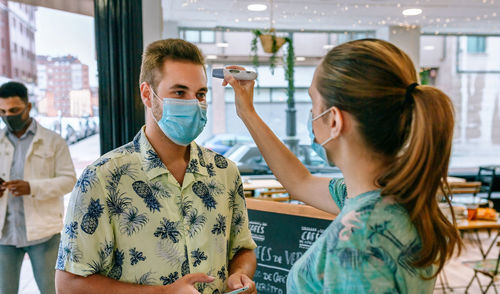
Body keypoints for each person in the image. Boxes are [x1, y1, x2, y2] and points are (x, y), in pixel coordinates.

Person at [224, 39, 462, 293]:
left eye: (314, 103)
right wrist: (247, 111)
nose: (312, 115)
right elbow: (298, 182)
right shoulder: (392, 197)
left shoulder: (355, 244)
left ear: (334, 120)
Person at [55, 39, 257, 294]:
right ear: (147, 94)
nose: (194, 104)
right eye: (180, 92)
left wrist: (239, 275)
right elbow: (69, 284)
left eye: (201, 94)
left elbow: (243, 248)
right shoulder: (103, 179)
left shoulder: (224, 171)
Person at [0, 81, 77, 294]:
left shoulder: (53, 141)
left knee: (51, 290)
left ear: (28, 107)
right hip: (4, 234)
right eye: (2, 111)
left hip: (44, 234)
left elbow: (69, 180)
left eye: (14, 110)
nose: (8, 116)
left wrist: (31, 187)